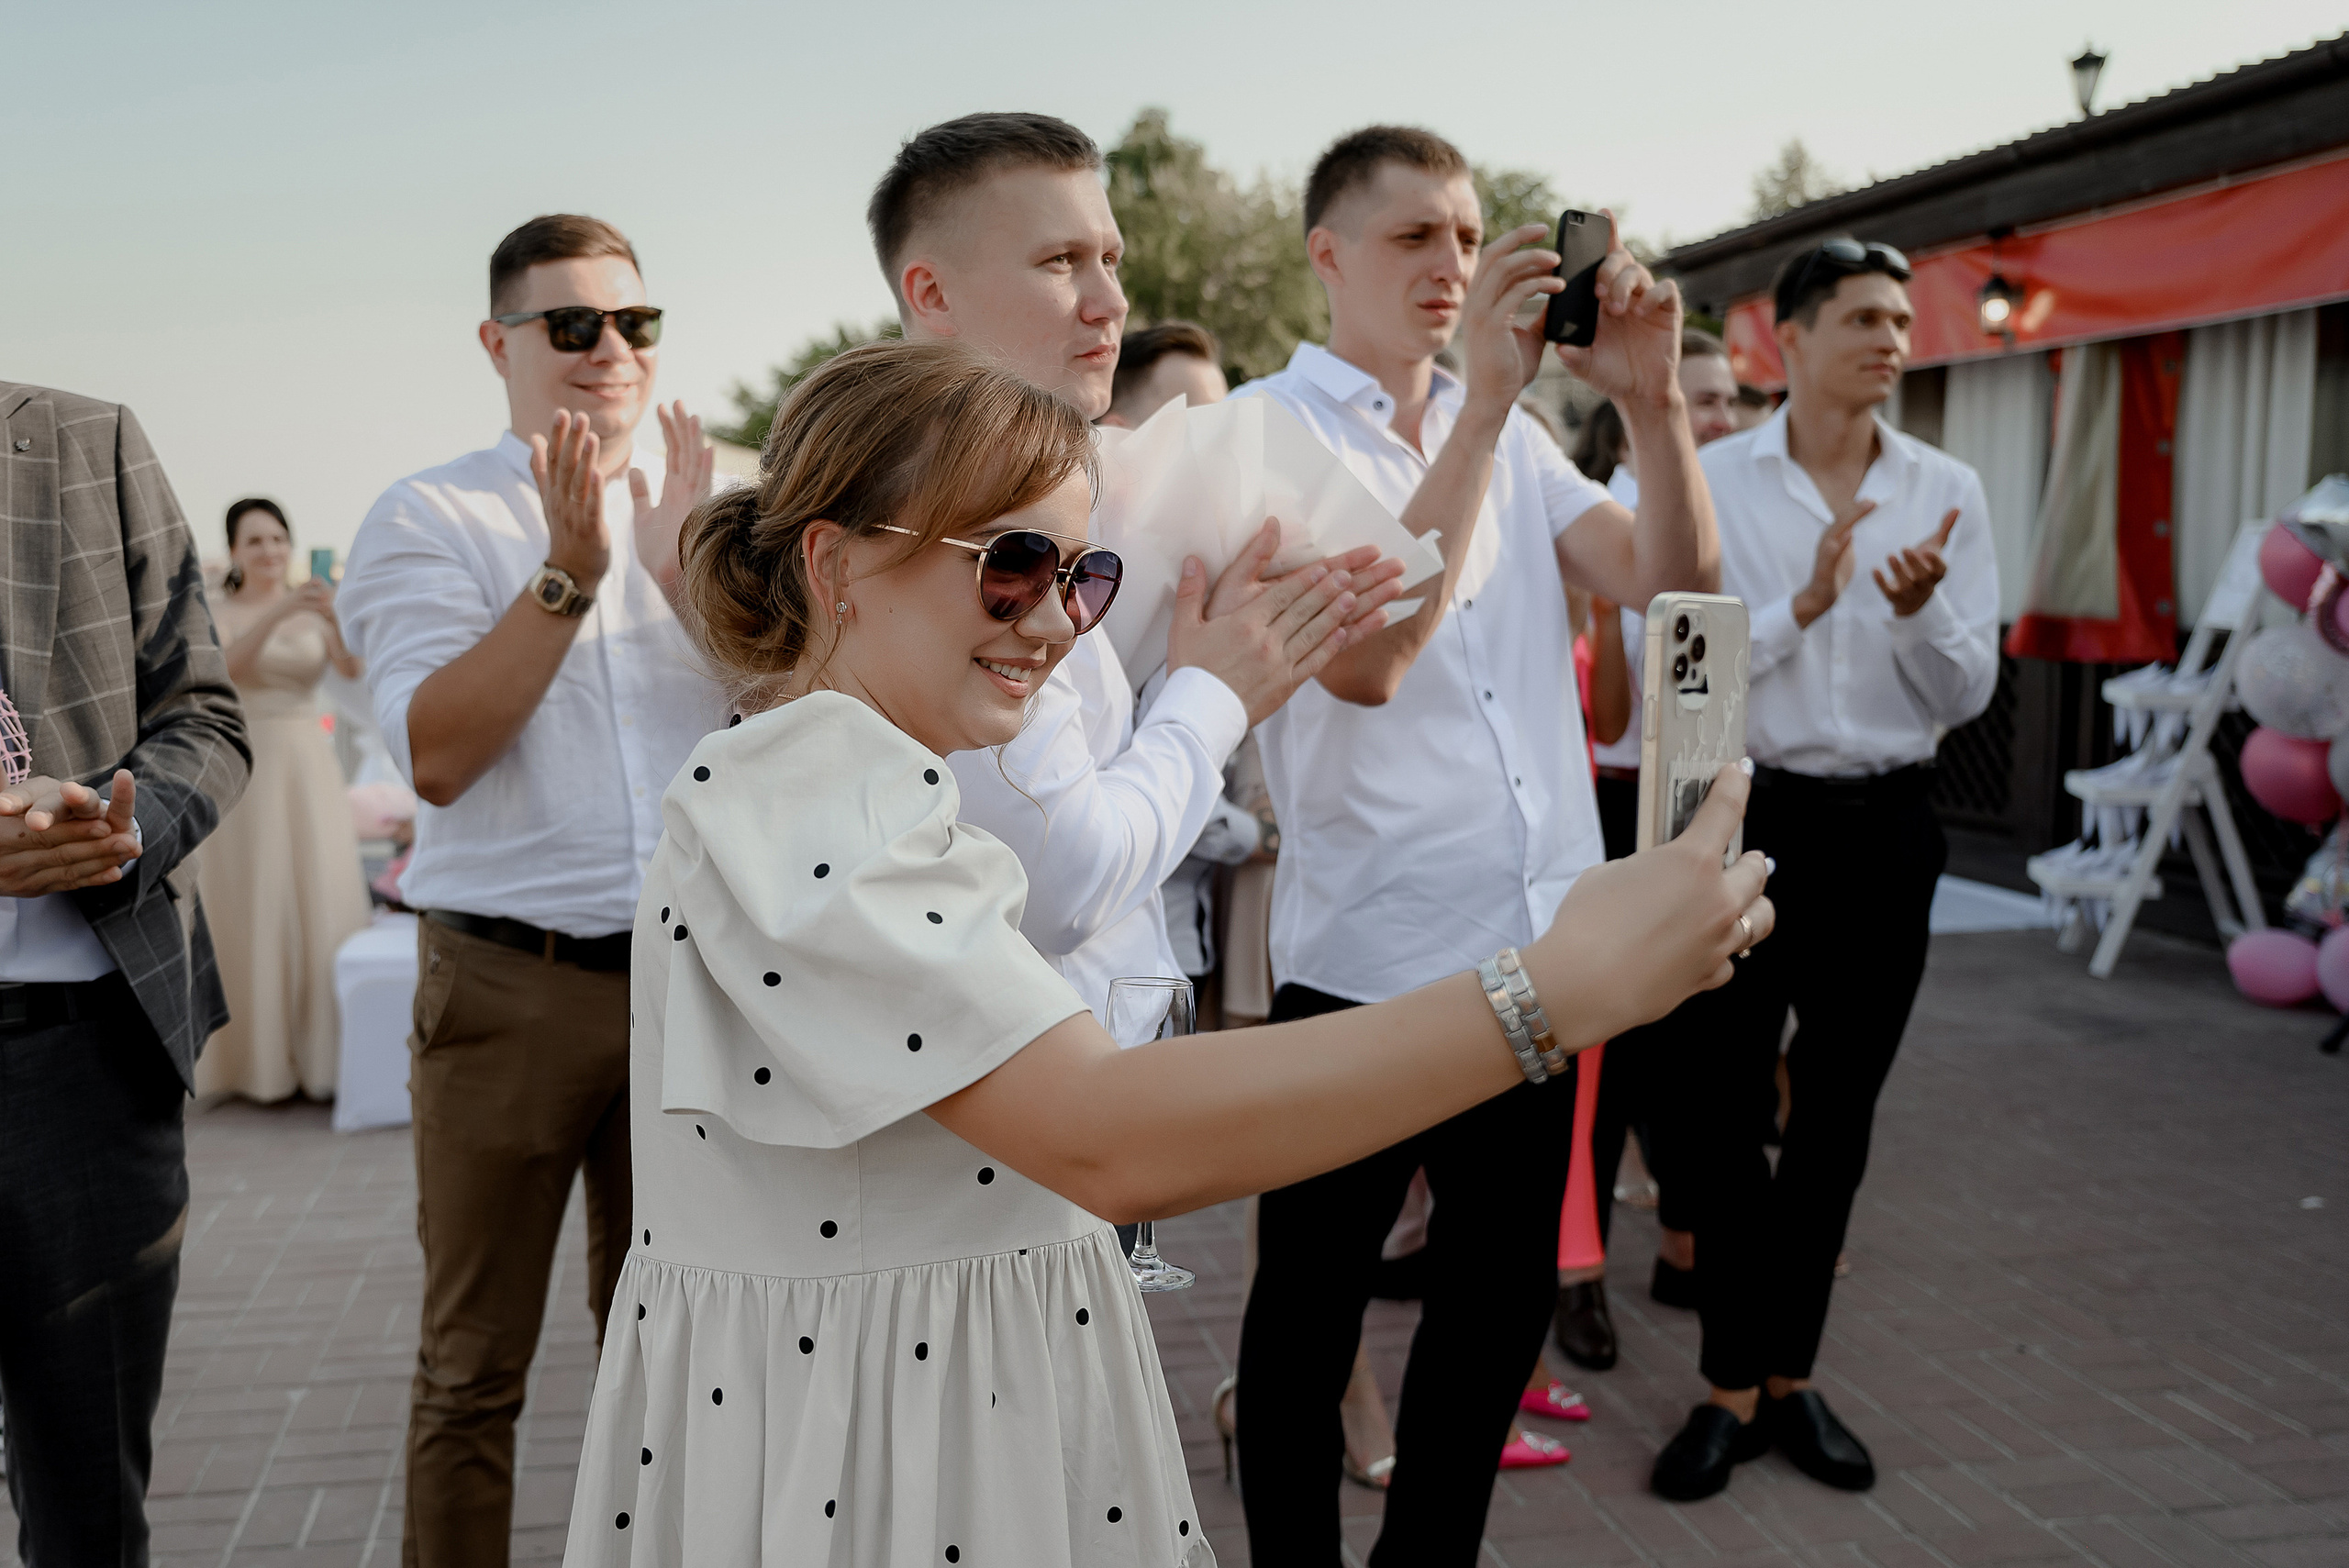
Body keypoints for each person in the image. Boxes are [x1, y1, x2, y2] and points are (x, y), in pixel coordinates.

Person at [558, 334, 1774, 1568]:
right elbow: (1104, 1133)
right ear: (836, 562)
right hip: (885, 1463)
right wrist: (1550, 990)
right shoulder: (814, 785)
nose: (1056, 622)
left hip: (915, 1423)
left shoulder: (854, 777)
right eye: (1011, 565)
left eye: (1083, 577)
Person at [1230, 125, 1719, 1564]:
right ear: (1327, 255)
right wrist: (1486, 419)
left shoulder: (1508, 427)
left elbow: (1673, 591)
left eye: (1466, 232)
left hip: (1537, 953)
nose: (1452, 264)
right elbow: (1370, 660)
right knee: (1309, 1316)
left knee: (1494, 1309)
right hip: (1363, 965)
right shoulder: (1272, 430)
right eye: (1414, 239)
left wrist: (1654, 407)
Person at [336, 213, 722, 1565]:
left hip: (693, 987)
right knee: (474, 1366)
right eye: (572, 326)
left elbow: (797, 716)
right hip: (511, 984)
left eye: (634, 322)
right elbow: (436, 755)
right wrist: (571, 574)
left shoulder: (711, 501)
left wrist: (685, 571)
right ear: (498, 344)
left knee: (676, 1361)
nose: (610, 350)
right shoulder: (429, 515)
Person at [865, 113, 1402, 1023]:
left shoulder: (1058, 488)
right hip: (1026, 1087)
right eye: (1059, 261)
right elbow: (1064, 878)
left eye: (1108, 258)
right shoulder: (945, 526)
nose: (1110, 299)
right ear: (931, 291)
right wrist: (1212, 691)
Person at [1646, 238, 1997, 1502]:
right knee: (1722, 1117)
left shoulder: (1945, 484)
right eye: (1861, 317)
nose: (1891, 339)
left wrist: (1920, 617)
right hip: (1750, 820)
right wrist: (1802, 604)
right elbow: (1686, 679)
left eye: (1902, 319)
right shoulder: (1714, 479)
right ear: (1783, 338)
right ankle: (1726, 1382)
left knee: (1837, 1120)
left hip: (1891, 829)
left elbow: (1970, 692)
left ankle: (1789, 1377)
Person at [0, 383, 251, 1565]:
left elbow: (205, 715)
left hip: (87, 1060)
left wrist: (115, 826)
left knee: (90, 1503)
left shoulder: (83, 441)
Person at [1555, 327, 1743, 1369]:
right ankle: (1577, 1276)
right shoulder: (1599, 517)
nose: (1715, 414)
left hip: (1691, 801)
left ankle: (1680, 1243)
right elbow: (1609, 709)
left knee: (1690, 1050)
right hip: (1608, 799)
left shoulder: (1731, 506)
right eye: (1698, 396)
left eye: (1725, 398)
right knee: (1604, 1064)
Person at [195, 499, 373, 1103]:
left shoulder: (314, 607)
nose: (270, 550)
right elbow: (226, 671)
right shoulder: (216, 608)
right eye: (256, 541)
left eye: (278, 538)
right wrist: (275, 616)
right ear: (237, 552)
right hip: (247, 763)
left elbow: (351, 669)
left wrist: (335, 617)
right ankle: (256, 1062)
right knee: (255, 899)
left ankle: (321, 1057)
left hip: (308, 763)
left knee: (318, 893)